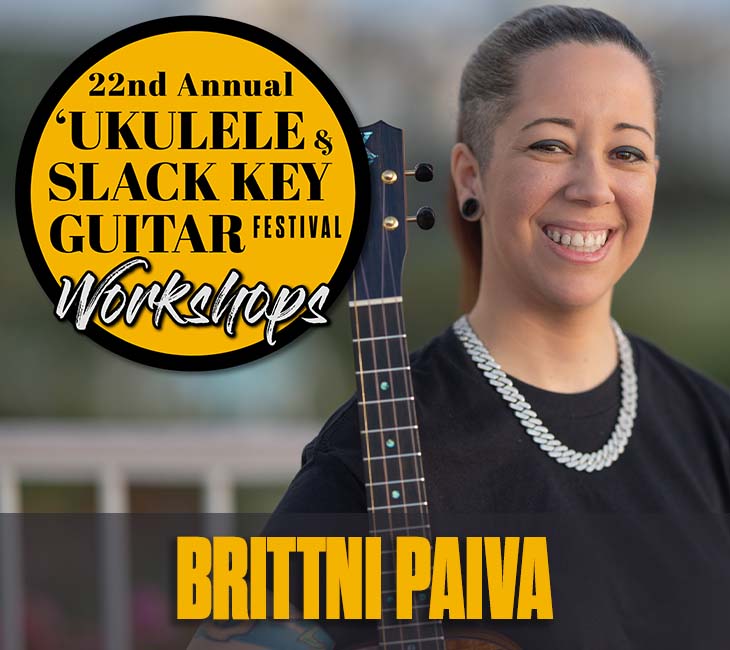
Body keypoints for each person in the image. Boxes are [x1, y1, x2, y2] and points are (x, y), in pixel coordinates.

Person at [191, 5, 730, 648]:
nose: (593, 186)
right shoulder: (376, 446)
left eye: (626, 152)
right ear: (471, 176)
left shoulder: (711, 427)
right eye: (550, 144)